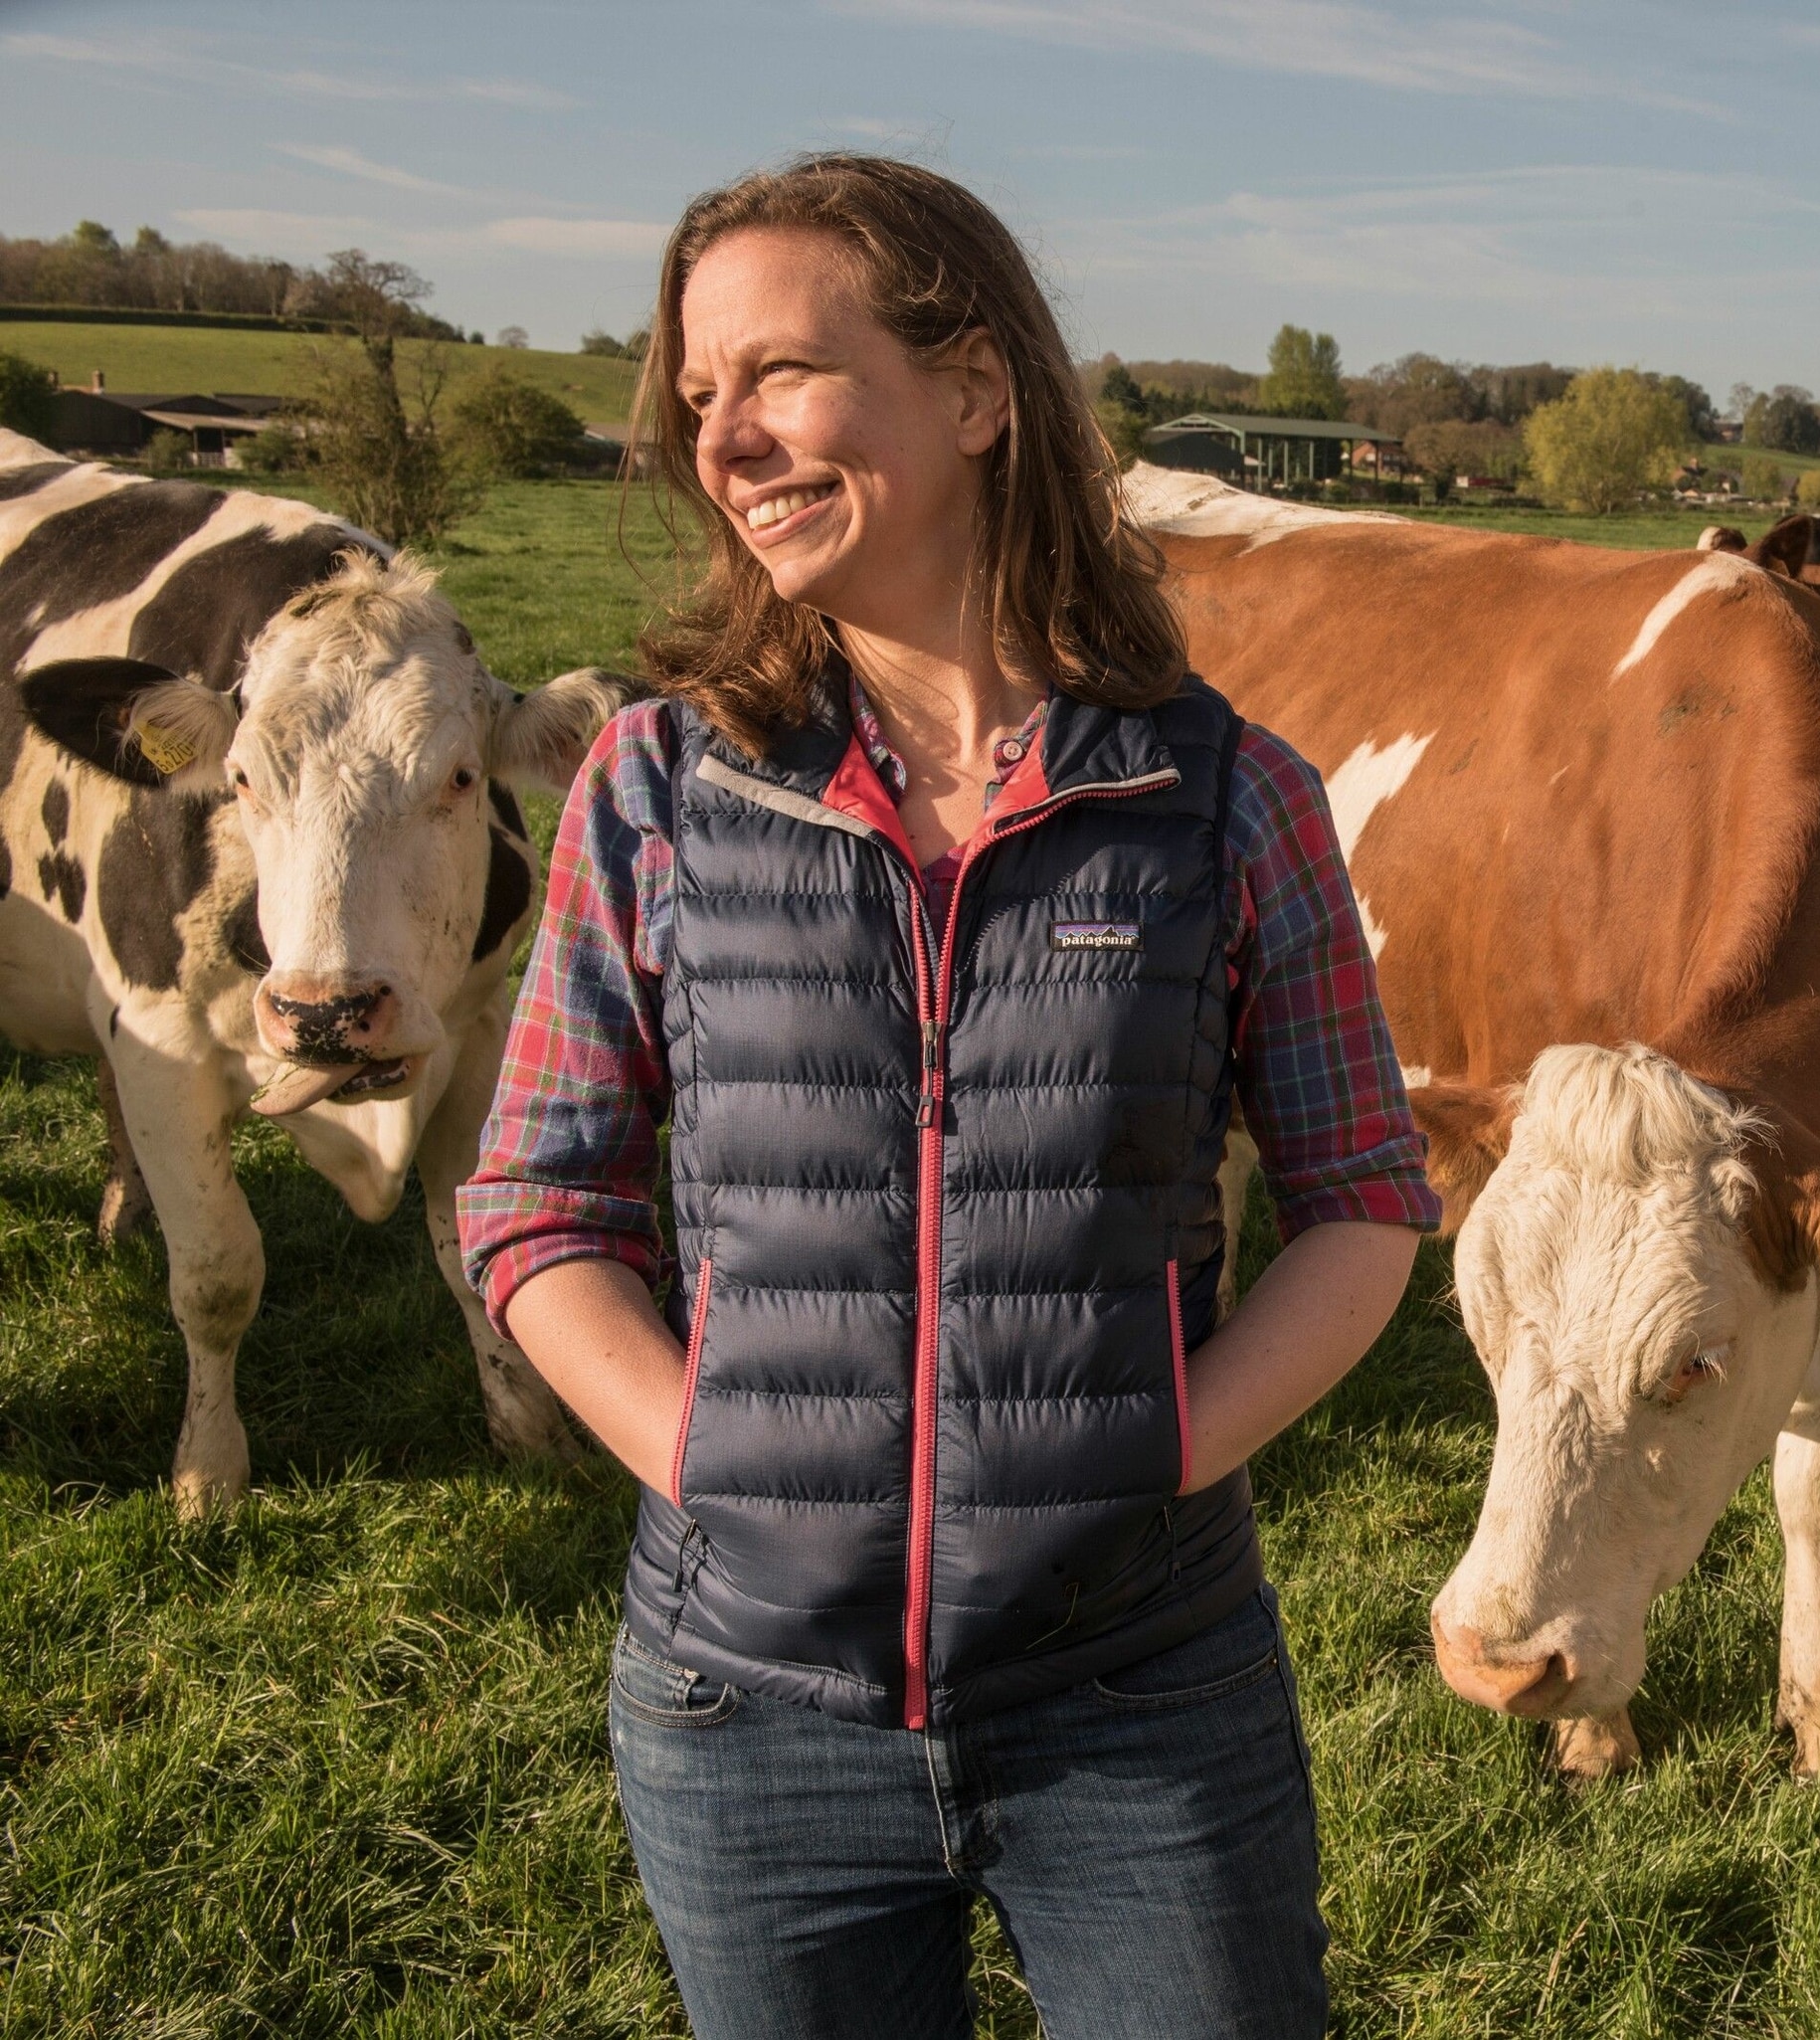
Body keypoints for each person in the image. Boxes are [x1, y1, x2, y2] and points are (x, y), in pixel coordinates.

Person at [458, 154, 1435, 2040]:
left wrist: (1158, 1454)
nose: (722, 438)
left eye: (779, 376)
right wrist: (712, 1459)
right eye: (697, 396)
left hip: (1141, 1700)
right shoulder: (656, 788)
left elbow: (1368, 1199)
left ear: (977, 391)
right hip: (744, 1714)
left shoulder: (1225, 798)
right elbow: (535, 1205)